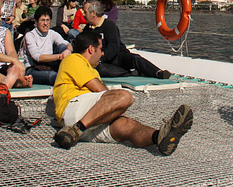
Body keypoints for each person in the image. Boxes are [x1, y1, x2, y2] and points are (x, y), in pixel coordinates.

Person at [52, 31, 193, 155]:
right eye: (100, 49)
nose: (102, 53)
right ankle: (75, 129)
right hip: (73, 109)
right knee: (124, 96)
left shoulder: (92, 69)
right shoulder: (74, 59)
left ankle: (159, 137)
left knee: (127, 126)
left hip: (88, 122)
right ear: (90, 49)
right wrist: (116, 105)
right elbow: (98, 89)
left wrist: (114, 110)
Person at [82, 0, 170, 79]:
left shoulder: (109, 26)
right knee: (101, 69)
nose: (84, 15)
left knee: (135, 59)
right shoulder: (88, 29)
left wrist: (101, 58)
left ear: (93, 13)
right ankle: (130, 73)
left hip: (117, 56)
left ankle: (157, 72)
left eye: (85, 12)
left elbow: (114, 46)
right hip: (101, 61)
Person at [24, 7, 72, 85]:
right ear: (36, 22)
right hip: (33, 69)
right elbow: (37, 57)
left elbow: (67, 44)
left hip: (49, 66)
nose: (45, 23)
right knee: (53, 76)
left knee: (63, 47)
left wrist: (68, 50)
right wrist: (60, 56)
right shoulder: (30, 35)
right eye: (42, 20)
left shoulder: (52, 33)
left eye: (47, 20)